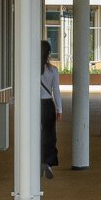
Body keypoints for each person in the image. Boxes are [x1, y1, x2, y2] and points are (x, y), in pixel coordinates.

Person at [39, 38, 60, 181]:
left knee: (34, 134)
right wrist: (59, 109)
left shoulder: (31, 69)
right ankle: (48, 161)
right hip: (47, 105)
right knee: (49, 134)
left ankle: (35, 161)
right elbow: (56, 91)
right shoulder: (52, 70)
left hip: (33, 105)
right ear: (49, 53)